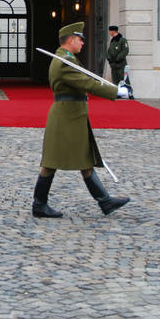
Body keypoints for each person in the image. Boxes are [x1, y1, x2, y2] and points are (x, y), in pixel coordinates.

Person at [33, 22, 131, 219]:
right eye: (80, 39)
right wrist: (116, 91)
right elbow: (86, 83)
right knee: (51, 162)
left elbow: (86, 80)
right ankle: (39, 205)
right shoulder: (63, 62)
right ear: (70, 40)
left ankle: (105, 201)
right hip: (66, 116)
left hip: (72, 114)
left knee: (85, 159)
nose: (83, 43)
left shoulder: (67, 59)